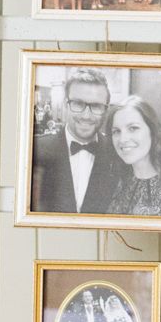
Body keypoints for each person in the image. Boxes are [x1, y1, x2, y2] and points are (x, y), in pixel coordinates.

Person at [30, 68, 123, 214]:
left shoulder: (118, 154)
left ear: (105, 110)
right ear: (65, 104)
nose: (86, 116)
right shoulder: (35, 151)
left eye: (96, 106)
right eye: (78, 104)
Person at [106, 96, 161, 217]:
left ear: (152, 131)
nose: (123, 139)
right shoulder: (117, 179)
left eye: (133, 128)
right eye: (116, 131)